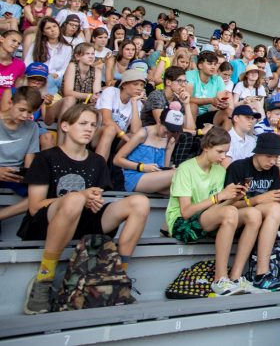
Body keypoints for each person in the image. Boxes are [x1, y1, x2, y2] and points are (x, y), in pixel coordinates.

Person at [21, 104, 150, 314]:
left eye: (92, 125)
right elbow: (35, 207)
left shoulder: (97, 161)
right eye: (82, 124)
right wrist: (80, 197)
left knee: (140, 202)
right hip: (48, 224)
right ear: (64, 126)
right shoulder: (46, 158)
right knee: (73, 200)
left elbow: (95, 197)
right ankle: (44, 278)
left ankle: (118, 277)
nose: (89, 129)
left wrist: (93, 200)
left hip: (84, 222)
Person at [165, 126, 259, 296]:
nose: (223, 157)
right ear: (206, 147)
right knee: (230, 212)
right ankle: (220, 279)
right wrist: (219, 197)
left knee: (253, 214)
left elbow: (219, 207)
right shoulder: (185, 168)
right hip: (182, 223)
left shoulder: (219, 171)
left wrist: (235, 197)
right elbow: (186, 212)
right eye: (220, 152)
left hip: (208, 217)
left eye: (226, 152)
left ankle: (236, 277)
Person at [224, 132, 280, 291]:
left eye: (276, 157)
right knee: (260, 211)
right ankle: (251, 274)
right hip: (236, 214)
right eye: (269, 156)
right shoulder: (238, 167)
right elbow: (226, 205)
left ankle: (263, 273)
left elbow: (272, 202)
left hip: (261, 216)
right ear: (258, 151)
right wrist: (258, 200)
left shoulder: (273, 170)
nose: (273, 161)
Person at [114, 98, 194, 193]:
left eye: (172, 132)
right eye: (166, 130)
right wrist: (142, 167)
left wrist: (168, 169)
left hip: (154, 178)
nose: (167, 134)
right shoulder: (143, 133)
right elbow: (117, 160)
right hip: (134, 176)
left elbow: (164, 167)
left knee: (189, 188)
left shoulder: (170, 139)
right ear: (159, 122)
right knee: (180, 174)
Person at [0, 88, 43, 223]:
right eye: (21, 110)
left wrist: (28, 176)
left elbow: (29, 161)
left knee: (43, 192)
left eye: (29, 112)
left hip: (14, 174)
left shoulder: (32, 127)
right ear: (10, 103)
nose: (25, 116)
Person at [94, 68, 146, 159]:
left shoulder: (137, 102)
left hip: (117, 139)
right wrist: (126, 139)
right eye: (135, 84)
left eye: (142, 85)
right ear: (124, 85)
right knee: (110, 129)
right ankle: (99, 169)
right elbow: (106, 120)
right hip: (97, 134)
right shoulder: (111, 92)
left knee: (136, 136)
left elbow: (135, 130)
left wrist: (134, 102)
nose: (139, 88)